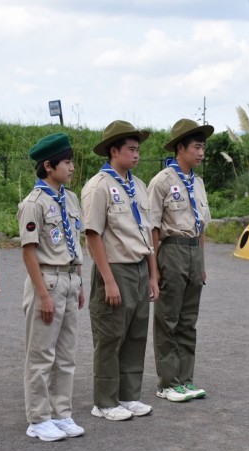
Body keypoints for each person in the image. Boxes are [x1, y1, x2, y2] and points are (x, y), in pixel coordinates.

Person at [81, 120, 159, 421]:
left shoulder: (138, 185)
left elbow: (146, 232)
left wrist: (153, 275)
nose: (136, 154)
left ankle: (128, 395)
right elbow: (93, 234)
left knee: (136, 335)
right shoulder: (98, 186)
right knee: (110, 336)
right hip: (115, 268)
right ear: (113, 151)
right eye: (131, 149)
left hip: (139, 267)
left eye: (138, 149)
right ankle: (104, 401)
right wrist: (108, 280)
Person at [18, 133, 86, 442]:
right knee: (41, 355)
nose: (71, 167)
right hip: (47, 281)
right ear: (48, 166)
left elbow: (76, 242)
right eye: (66, 162)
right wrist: (42, 295)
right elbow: (29, 252)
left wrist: (80, 281)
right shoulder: (34, 204)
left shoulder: (70, 199)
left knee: (66, 354)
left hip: (70, 279)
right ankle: (38, 418)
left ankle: (62, 413)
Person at [147, 119, 213, 402]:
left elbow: (201, 226)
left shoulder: (198, 183)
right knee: (168, 319)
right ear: (180, 148)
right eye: (196, 147)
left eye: (203, 147)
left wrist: (202, 264)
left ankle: (185, 379)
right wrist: (153, 271)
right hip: (172, 250)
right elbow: (152, 228)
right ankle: (167, 383)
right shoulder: (162, 182)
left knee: (188, 320)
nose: (201, 153)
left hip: (193, 251)